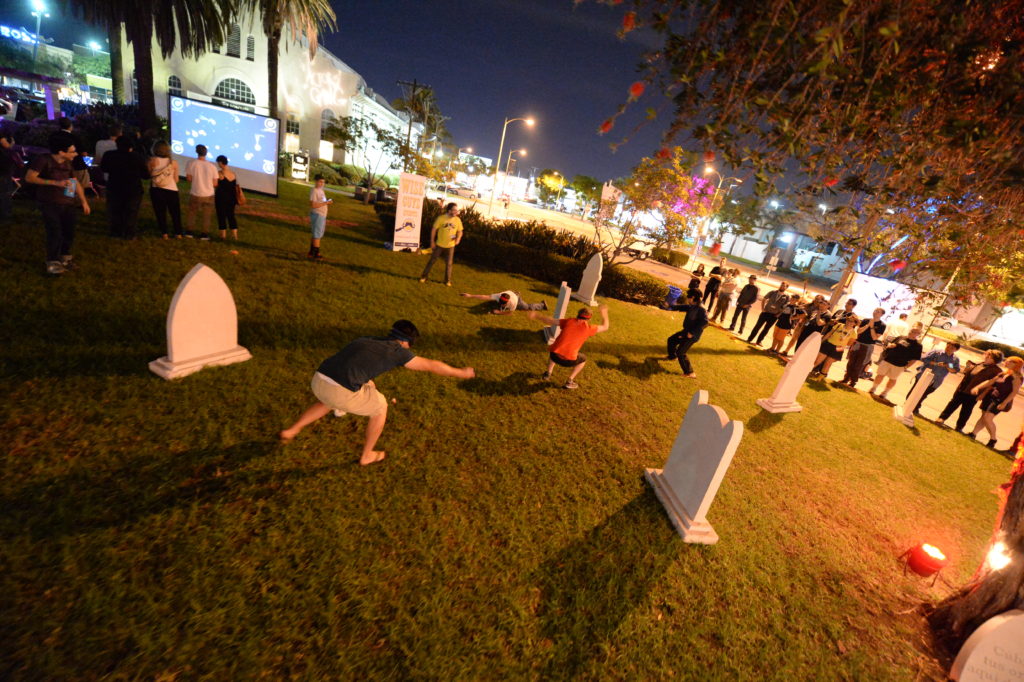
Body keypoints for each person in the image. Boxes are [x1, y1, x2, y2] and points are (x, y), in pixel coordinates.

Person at [278, 320, 475, 466]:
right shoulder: (399, 351)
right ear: (407, 342)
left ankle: (292, 429)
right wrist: (460, 372)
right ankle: (367, 455)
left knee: (340, 396)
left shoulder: (366, 339)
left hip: (319, 380)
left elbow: (351, 363)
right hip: (339, 390)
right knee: (380, 407)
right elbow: (431, 365)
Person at [24, 131, 91, 275]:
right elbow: (30, 178)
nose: (75, 154)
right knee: (55, 232)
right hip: (49, 202)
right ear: (61, 152)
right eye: (72, 151)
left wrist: (83, 201)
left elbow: (74, 182)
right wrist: (55, 183)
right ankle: (52, 261)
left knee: (69, 231)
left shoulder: (68, 163)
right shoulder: (43, 160)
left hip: (68, 203)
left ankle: (65, 258)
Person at [529, 305, 610, 389]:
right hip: (568, 361)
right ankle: (569, 381)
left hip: (554, 356)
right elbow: (605, 327)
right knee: (583, 359)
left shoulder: (569, 321)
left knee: (556, 348)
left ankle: (547, 374)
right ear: (589, 319)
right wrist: (604, 313)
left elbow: (550, 321)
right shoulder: (589, 329)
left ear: (577, 314)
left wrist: (537, 315)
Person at [937, 350, 1004, 432]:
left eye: (989, 355)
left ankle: (959, 427)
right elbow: (965, 372)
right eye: (987, 354)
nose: (986, 356)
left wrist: (982, 394)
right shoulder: (978, 363)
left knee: (966, 410)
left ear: (995, 359)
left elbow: (991, 385)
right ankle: (941, 418)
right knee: (952, 404)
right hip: (963, 388)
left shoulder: (996, 370)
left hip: (974, 393)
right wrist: (967, 367)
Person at [100, 135, 148, 239]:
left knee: (115, 210)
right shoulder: (137, 157)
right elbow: (145, 175)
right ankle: (129, 233)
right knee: (131, 211)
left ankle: (115, 231)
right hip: (133, 188)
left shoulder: (109, 155)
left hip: (114, 186)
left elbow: (104, 168)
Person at [970, 356, 1024, 448]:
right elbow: (990, 382)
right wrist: (978, 387)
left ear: (1015, 364)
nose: (1005, 362)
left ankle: (993, 439)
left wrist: (1004, 403)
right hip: (991, 397)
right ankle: (973, 433)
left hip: (1000, 400)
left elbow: (1014, 392)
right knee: (984, 416)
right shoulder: (1004, 373)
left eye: (1008, 361)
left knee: (987, 418)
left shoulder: (1017, 377)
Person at [869, 328, 924, 400]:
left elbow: (915, 359)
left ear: (918, 335)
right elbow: (890, 344)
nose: (912, 333)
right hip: (887, 360)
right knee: (880, 375)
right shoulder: (901, 337)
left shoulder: (918, 346)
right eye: (912, 331)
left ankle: (884, 393)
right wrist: (890, 345)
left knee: (892, 379)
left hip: (900, 364)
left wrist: (906, 367)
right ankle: (873, 388)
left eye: (915, 332)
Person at [907, 342, 961, 414]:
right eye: (948, 346)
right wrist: (936, 363)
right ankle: (908, 405)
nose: (949, 348)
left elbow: (954, 370)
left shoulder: (954, 359)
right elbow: (923, 358)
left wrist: (947, 366)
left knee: (924, 394)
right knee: (915, 391)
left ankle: (915, 407)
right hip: (924, 376)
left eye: (952, 348)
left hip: (936, 381)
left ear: (956, 350)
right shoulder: (936, 352)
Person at [666, 289, 709, 378]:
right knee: (671, 340)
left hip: (692, 336)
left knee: (681, 352)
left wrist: (692, 333)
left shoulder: (701, 309)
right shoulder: (692, 306)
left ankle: (690, 373)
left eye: (688, 296)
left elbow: (705, 323)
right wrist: (670, 306)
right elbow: (683, 307)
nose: (687, 298)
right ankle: (672, 357)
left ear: (692, 297)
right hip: (686, 331)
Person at [419, 202, 463, 285]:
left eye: (457, 210)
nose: (456, 212)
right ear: (449, 210)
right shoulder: (441, 218)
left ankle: (447, 281)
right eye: (454, 210)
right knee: (432, 261)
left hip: (450, 246)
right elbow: (434, 230)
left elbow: (460, 231)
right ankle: (423, 277)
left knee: (449, 264)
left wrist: (458, 239)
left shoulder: (457, 220)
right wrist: (432, 242)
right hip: (439, 245)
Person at [842, 307, 887, 386]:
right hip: (857, 343)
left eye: (878, 312)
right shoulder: (866, 320)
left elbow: (875, 337)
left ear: (882, 315)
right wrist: (867, 325)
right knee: (851, 362)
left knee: (859, 364)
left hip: (868, 346)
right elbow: (858, 331)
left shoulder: (882, 325)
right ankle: (846, 378)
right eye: (875, 310)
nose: (875, 312)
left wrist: (872, 327)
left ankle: (853, 382)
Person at [148, 141, 183, 238]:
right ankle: (178, 233)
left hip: (156, 189)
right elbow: (176, 179)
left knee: (160, 212)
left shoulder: (152, 161)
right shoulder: (173, 163)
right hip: (172, 190)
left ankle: (164, 233)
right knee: (175, 213)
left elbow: (149, 175)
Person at [184, 144, 218, 239]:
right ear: (206, 153)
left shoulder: (191, 163)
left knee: (192, 212)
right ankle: (205, 234)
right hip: (208, 194)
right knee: (207, 215)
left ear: (196, 152)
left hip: (195, 192)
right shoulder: (212, 167)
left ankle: (189, 232)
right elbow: (215, 183)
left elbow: (189, 178)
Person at [747, 281, 789, 345]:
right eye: (781, 285)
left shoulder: (786, 297)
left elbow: (785, 307)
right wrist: (763, 309)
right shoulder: (773, 292)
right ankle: (749, 339)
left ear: (786, 288)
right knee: (757, 326)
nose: (782, 286)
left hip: (774, 315)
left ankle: (759, 341)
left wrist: (778, 314)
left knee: (766, 329)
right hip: (765, 313)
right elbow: (764, 299)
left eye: (784, 286)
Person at [214, 155, 239, 241]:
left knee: (221, 216)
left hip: (221, 198)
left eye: (218, 162)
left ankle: (223, 236)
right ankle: (235, 235)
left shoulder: (219, 173)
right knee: (231, 216)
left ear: (221, 163)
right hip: (232, 198)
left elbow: (215, 184)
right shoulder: (233, 174)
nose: (218, 164)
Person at [459, 289, 547, 314]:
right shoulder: (498, 296)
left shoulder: (513, 303)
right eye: (500, 302)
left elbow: (510, 312)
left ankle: (542, 305)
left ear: (507, 302)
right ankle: (516, 292)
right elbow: (484, 296)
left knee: (527, 308)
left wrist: (498, 312)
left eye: (503, 304)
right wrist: (470, 295)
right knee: (492, 302)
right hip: (511, 293)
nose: (501, 303)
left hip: (517, 299)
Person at [307, 174, 332, 260]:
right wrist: (326, 203)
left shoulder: (321, 191)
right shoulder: (314, 191)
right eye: (320, 182)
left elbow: (322, 202)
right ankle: (316, 254)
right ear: (316, 181)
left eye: (323, 182)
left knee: (317, 233)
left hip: (322, 215)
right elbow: (313, 205)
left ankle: (311, 252)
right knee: (317, 234)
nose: (322, 184)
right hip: (317, 214)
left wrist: (327, 202)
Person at [0, 131, 15, 222]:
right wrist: (12, 142)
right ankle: (5, 214)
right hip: (2, 167)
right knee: (5, 191)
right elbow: (7, 146)